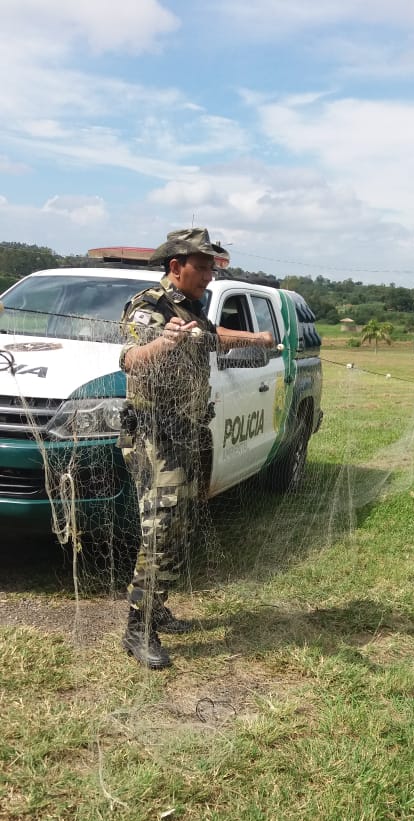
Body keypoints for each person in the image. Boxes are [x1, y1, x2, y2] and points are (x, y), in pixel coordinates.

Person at [118, 227, 273, 669]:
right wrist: (163, 343)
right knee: (161, 528)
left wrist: (254, 339)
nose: (209, 273)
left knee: (180, 525)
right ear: (176, 267)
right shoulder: (149, 308)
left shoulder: (191, 307)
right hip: (155, 436)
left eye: (211, 265)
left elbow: (210, 333)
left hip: (186, 431)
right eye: (202, 265)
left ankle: (158, 607)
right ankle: (137, 629)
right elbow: (130, 358)